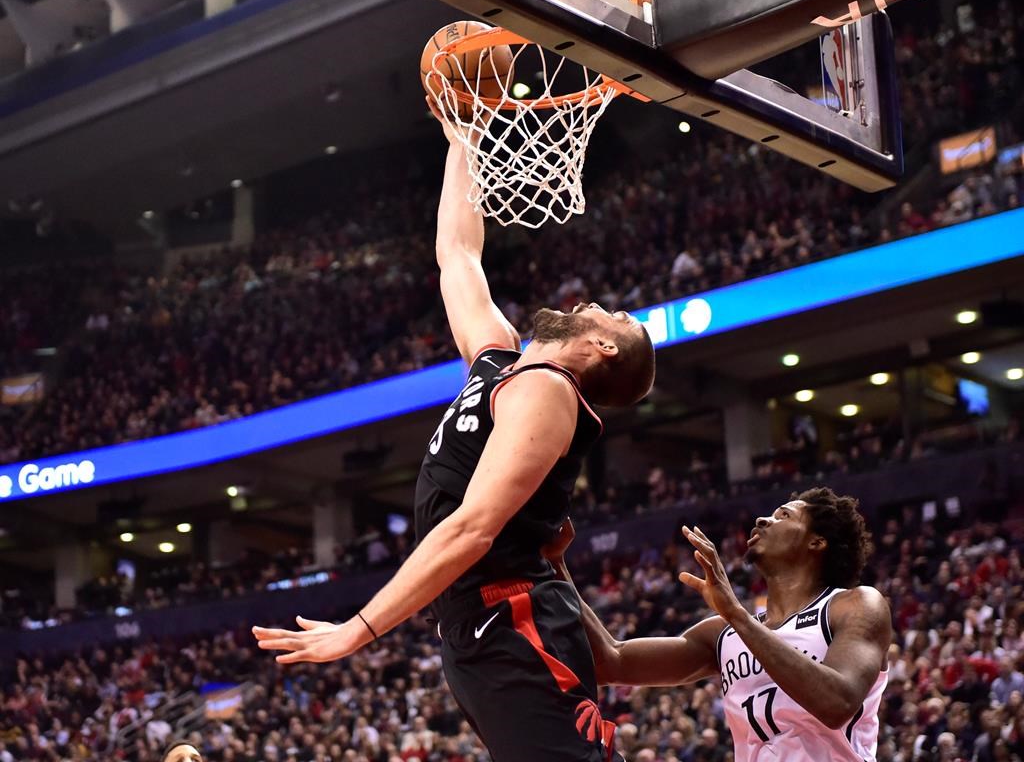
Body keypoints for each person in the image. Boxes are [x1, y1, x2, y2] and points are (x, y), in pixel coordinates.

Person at [251, 97, 656, 762]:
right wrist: (463, 133)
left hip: (514, 618)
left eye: (611, 316)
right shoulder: (500, 360)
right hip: (475, 628)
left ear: (605, 351)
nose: (591, 304)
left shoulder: (550, 392)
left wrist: (359, 629)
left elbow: (473, 529)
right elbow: (458, 253)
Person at [548, 486, 892, 762]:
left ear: (817, 542)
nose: (762, 520)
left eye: (783, 516)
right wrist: (556, 565)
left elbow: (838, 703)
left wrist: (738, 615)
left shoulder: (855, 604)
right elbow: (612, 661)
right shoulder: (723, 634)